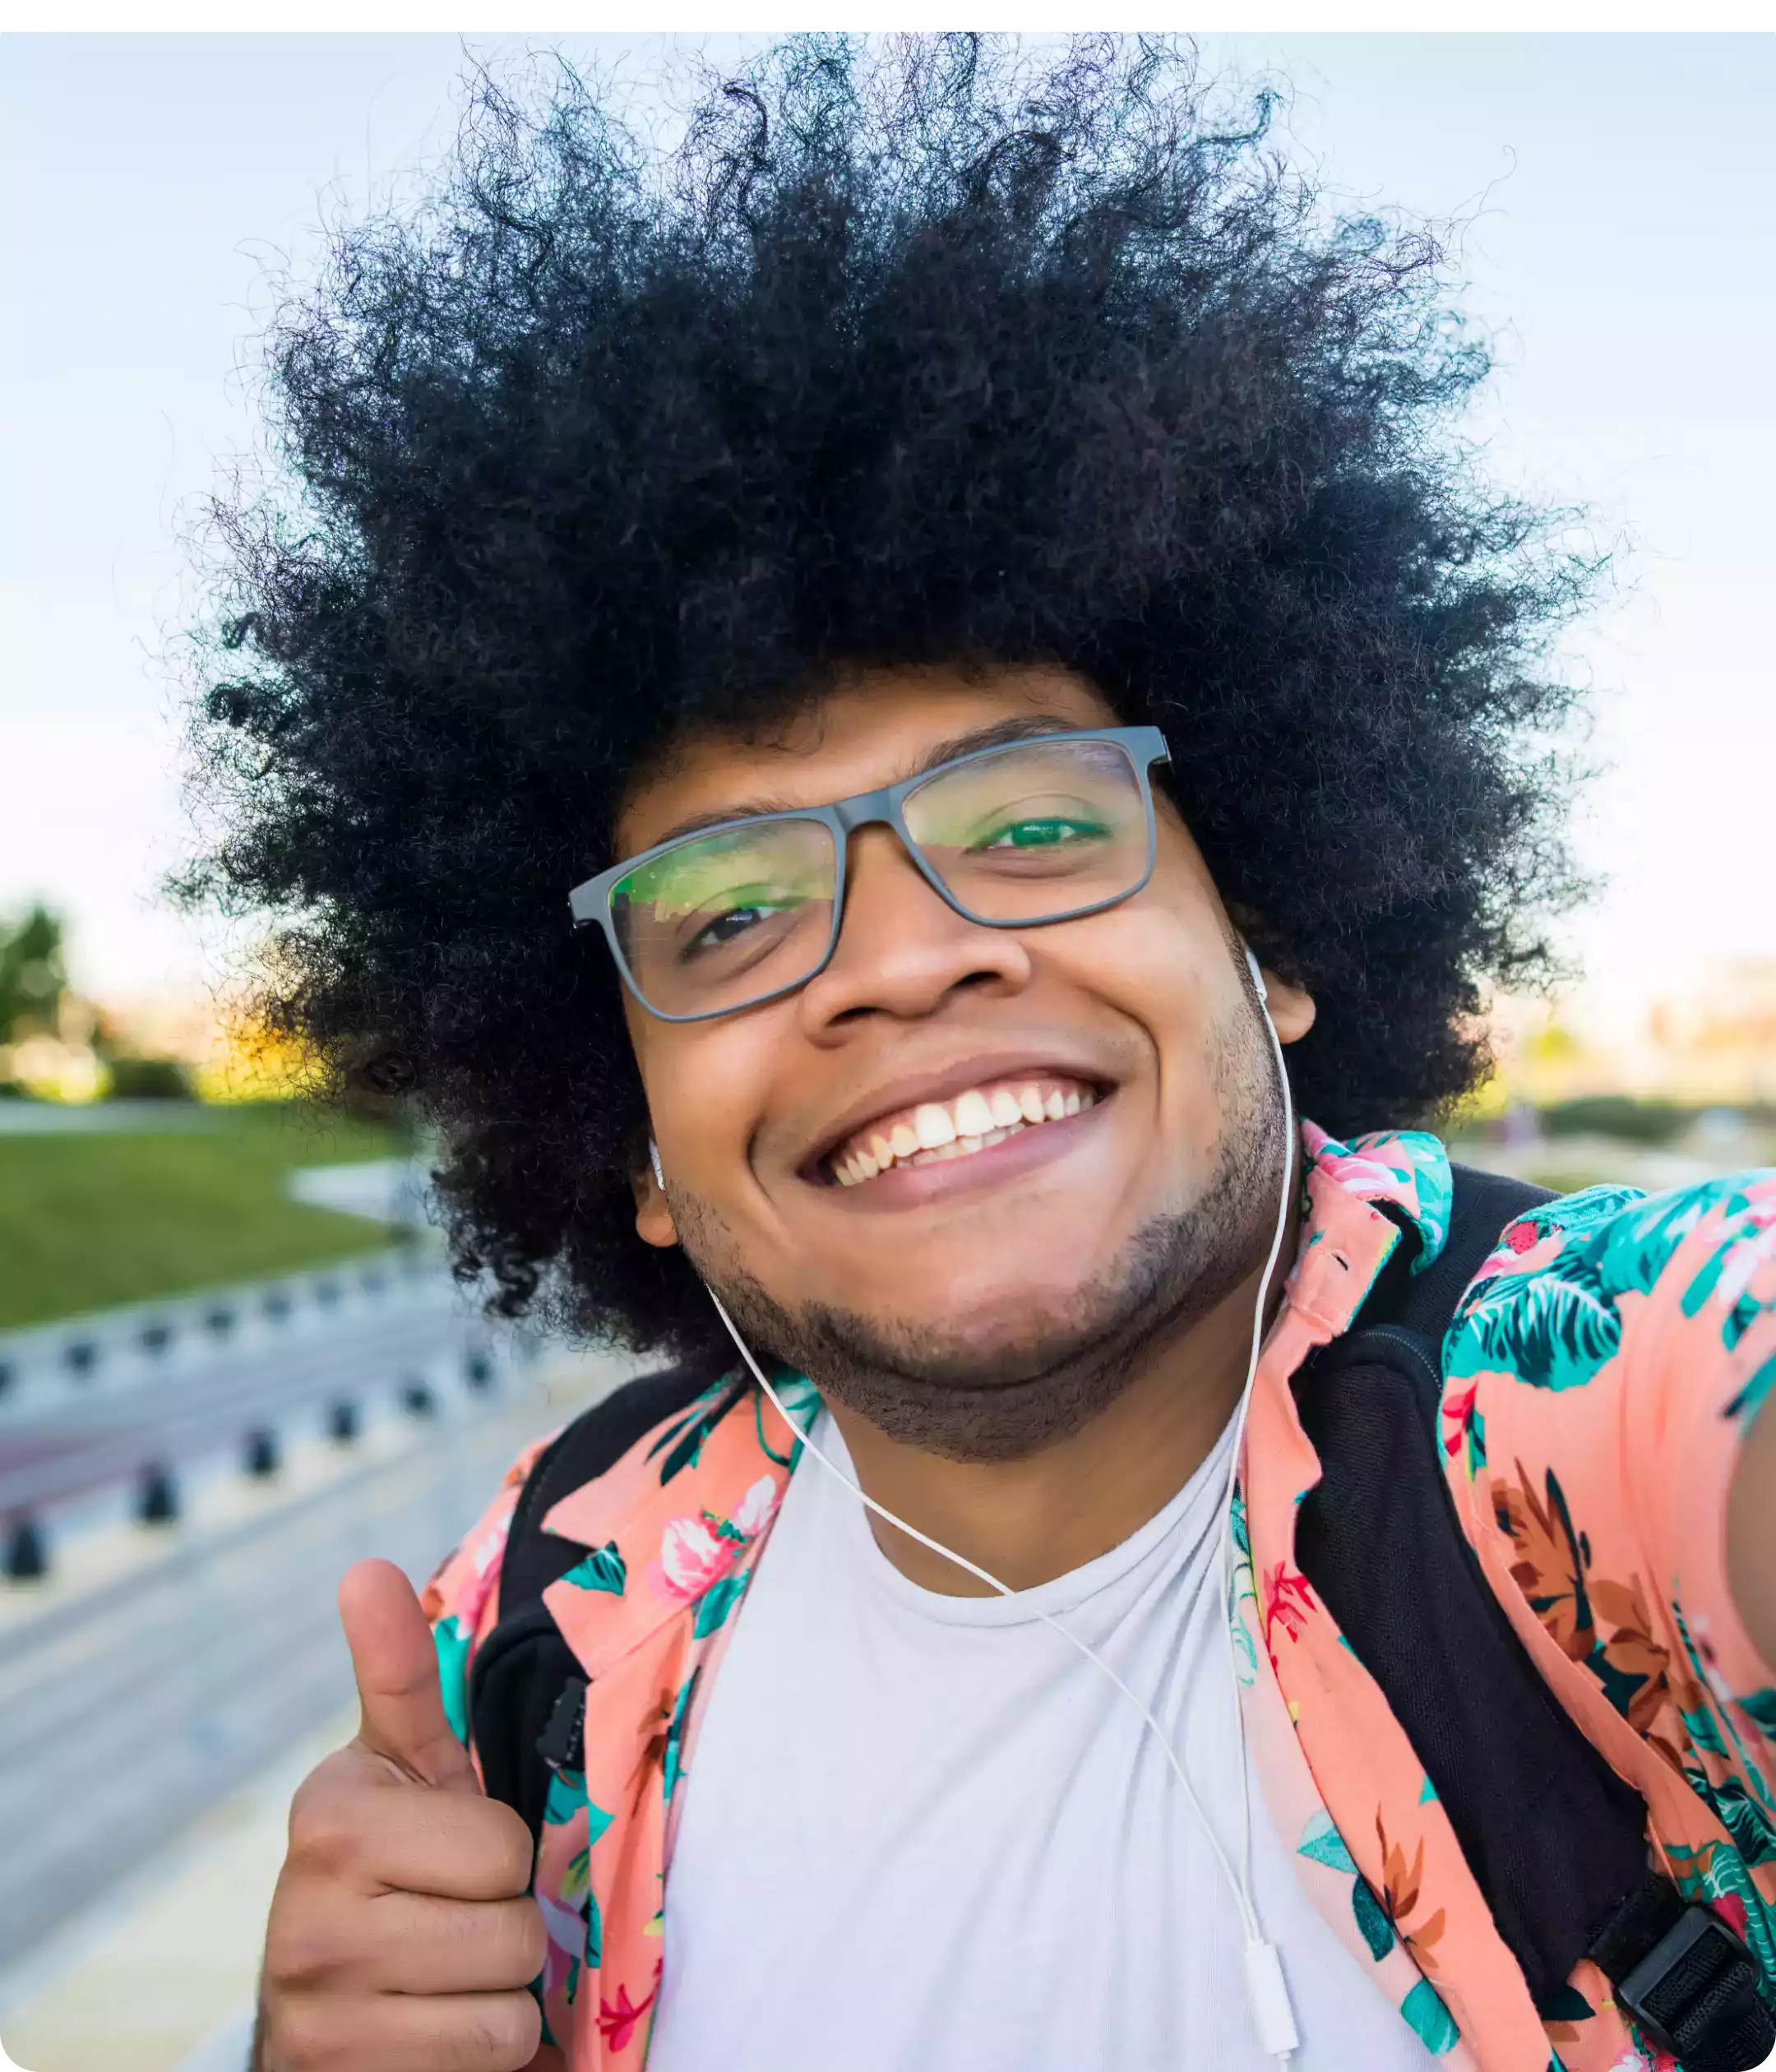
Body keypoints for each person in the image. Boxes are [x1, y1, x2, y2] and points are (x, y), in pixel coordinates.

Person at [190, 33, 1776, 2072]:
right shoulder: (558, 1594)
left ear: (1272, 940)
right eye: (734, 913)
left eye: (1034, 824)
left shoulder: (1580, 1413)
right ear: (638, 1147)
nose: (906, 962)